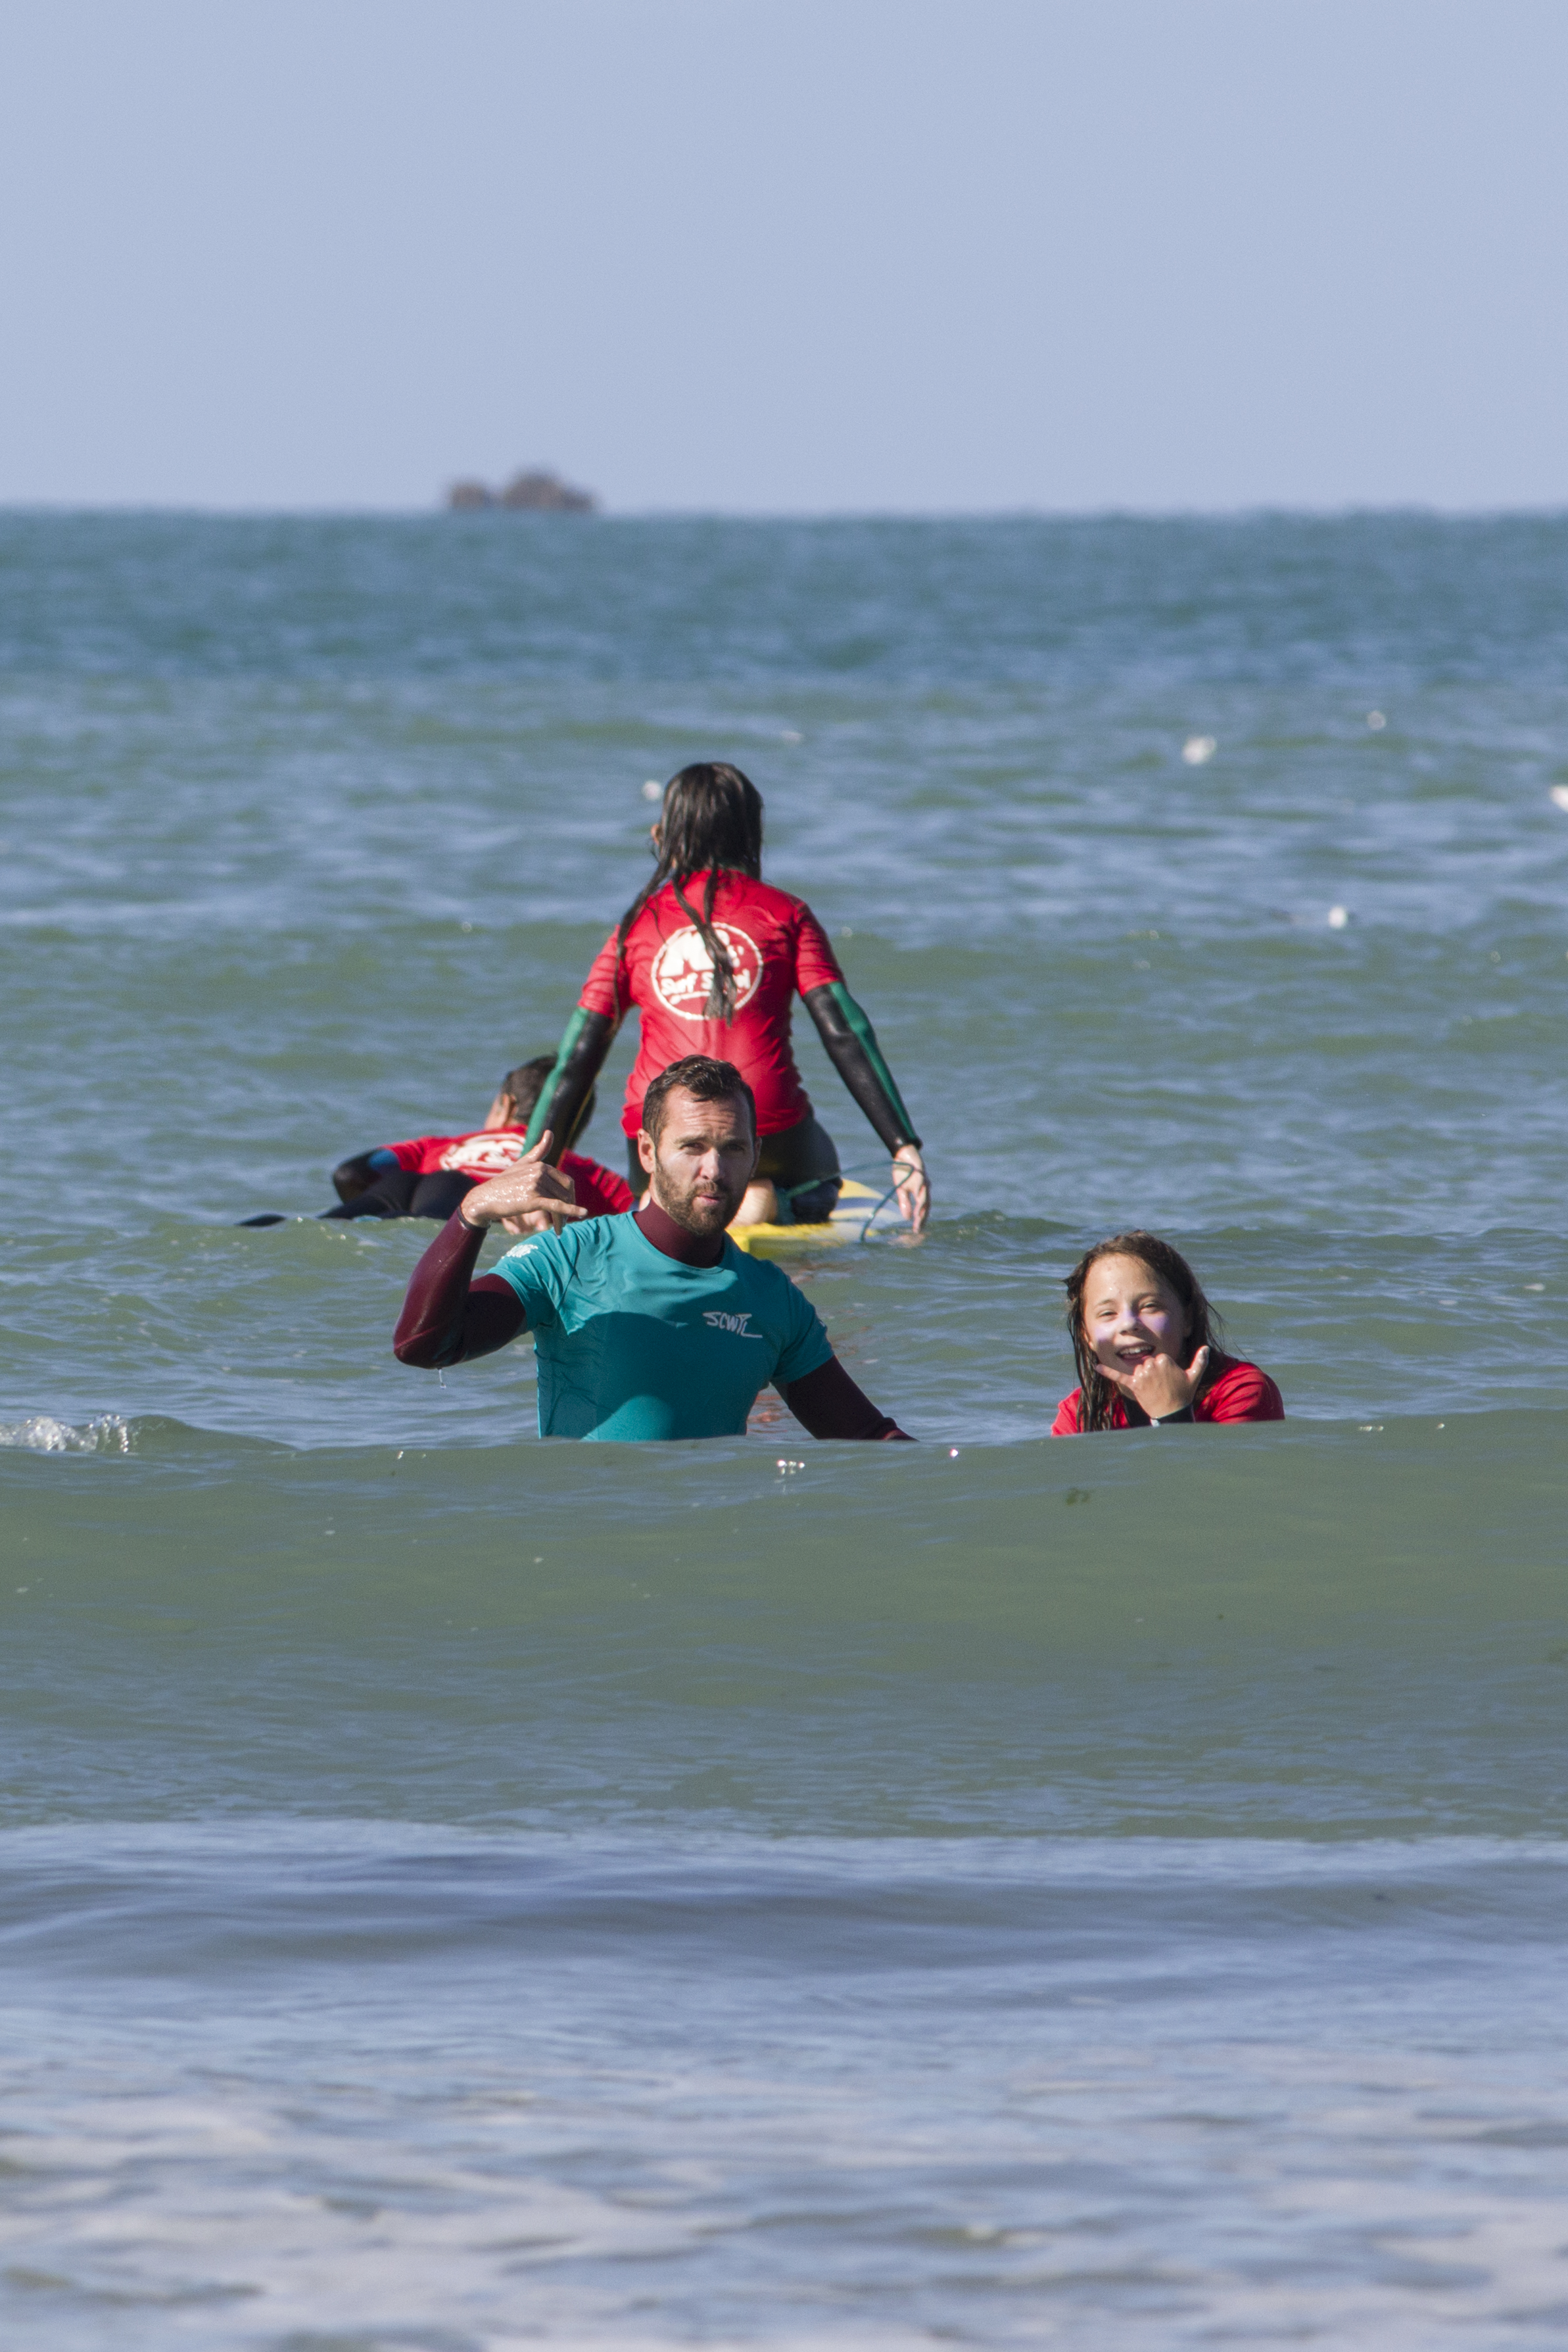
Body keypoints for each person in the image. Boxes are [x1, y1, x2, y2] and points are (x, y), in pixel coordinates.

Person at [395, 1054, 912, 1443]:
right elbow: (423, 1344)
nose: (714, 1170)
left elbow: (866, 1438)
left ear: (755, 1155)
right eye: (692, 1147)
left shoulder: (772, 1298)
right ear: (647, 1151)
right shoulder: (569, 1256)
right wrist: (470, 1215)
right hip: (590, 1535)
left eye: (733, 1148)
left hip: (710, 1540)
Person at [520, 762, 930, 1232]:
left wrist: (532, 1164)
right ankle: (766, 1201)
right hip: (764, 1131)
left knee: (662, 1141)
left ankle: (662, 1197)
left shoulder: (636, 925)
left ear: (665, 833)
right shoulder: (786, 914)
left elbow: (578, 1055)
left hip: (660, 1132)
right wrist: (902, 1144)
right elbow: (844, 1030)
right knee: (820, 1171)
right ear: (752, 832)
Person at [325, 1057, 632, 1228]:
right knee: (410, 1227)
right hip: (466, 1198)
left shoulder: (440, 1144)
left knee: (331, 1225)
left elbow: (350, 1173)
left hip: (401, 1183)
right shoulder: (582, 1171)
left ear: (507, 1106)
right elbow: (640, 1212)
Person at [1051, 1231, 1284, 1432]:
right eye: (1108, 1313)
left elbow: (1219, 1472)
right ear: (1086, 1335)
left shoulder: (1241, 1391)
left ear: (1188, 1319)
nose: (1129, 1324)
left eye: (1150, 1306)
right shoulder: (1078, 1415)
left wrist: (1172, 1414)